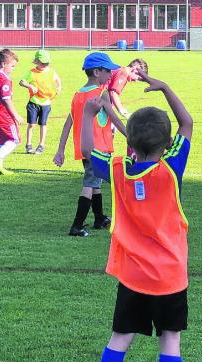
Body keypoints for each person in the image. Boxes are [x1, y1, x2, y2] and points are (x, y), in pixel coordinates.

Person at [81, 69, 193, 362]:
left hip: (133, 276)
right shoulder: (171, 170)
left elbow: (86, 150)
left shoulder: (118, 172)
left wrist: (88, 115)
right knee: (170, 339)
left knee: (121, 337)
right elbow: (187, 123)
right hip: (170, 274)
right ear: (168, 144)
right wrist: (165, 86)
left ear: (129, 141)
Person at [53, 52, 126, 237]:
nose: (111, 75)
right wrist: (131, 137)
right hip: (98, 148)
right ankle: (77, 226)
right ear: (96, 72)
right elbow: (115, 119)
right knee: (89, 184)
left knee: (95, 183)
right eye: (108, 71)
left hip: (84, 148)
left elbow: (68, 123)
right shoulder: (102, 94)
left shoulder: (77, 95)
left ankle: (99, 218)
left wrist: (60, 149)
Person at [0, 49, 24, 175]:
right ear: (3, 64)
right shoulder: (4, 78)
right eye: (12, 66)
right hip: (3, 115)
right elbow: (6, 100)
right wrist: (16, 115)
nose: (13, 69)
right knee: (14, 139)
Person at [18, 49, 61, 155]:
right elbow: (21, 82)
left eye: (46, 63)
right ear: (36, 62)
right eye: (42, 63)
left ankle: (41, 145)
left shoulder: (51, 71)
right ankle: (28, 145)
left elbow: (57, 79)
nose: (44, 65)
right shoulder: (32, 72)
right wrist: (29, 85)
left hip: (46, 104)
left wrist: (59, 87)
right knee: (31, 124)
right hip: (33, 103)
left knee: (43, 124)